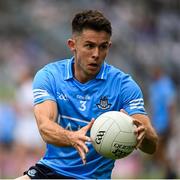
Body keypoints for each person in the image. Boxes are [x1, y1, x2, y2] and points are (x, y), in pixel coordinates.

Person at [17, 10, 158, 179]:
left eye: (103, 47)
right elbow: (45, 127)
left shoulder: (124, 86)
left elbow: (151, 146)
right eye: (89, 46)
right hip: (52, 171)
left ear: (109, 47)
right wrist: (71, 137)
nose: (96, 54)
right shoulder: (50, 76)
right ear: (72, 45)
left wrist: (143, 136)